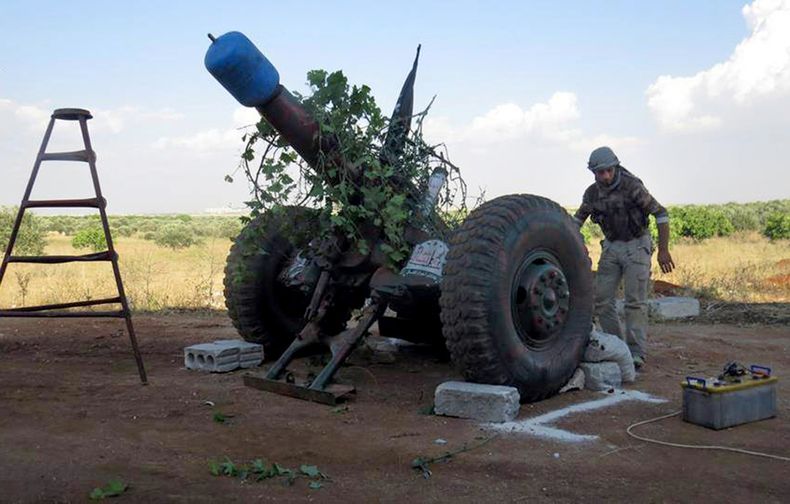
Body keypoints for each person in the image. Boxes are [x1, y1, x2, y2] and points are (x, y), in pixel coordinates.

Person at [573, 146, 675, 369]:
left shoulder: (632, 186)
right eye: (600, 173)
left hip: (637, 245)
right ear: (593, 173)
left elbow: (661, 213)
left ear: (615, 167)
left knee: (634, 302)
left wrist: (664, 251)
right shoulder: (592, 194)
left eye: (608, 171)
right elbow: (576, 222)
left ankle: (636, 353)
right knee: (602, 300)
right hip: (611, 247)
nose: (605, 176)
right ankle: (618, 348)